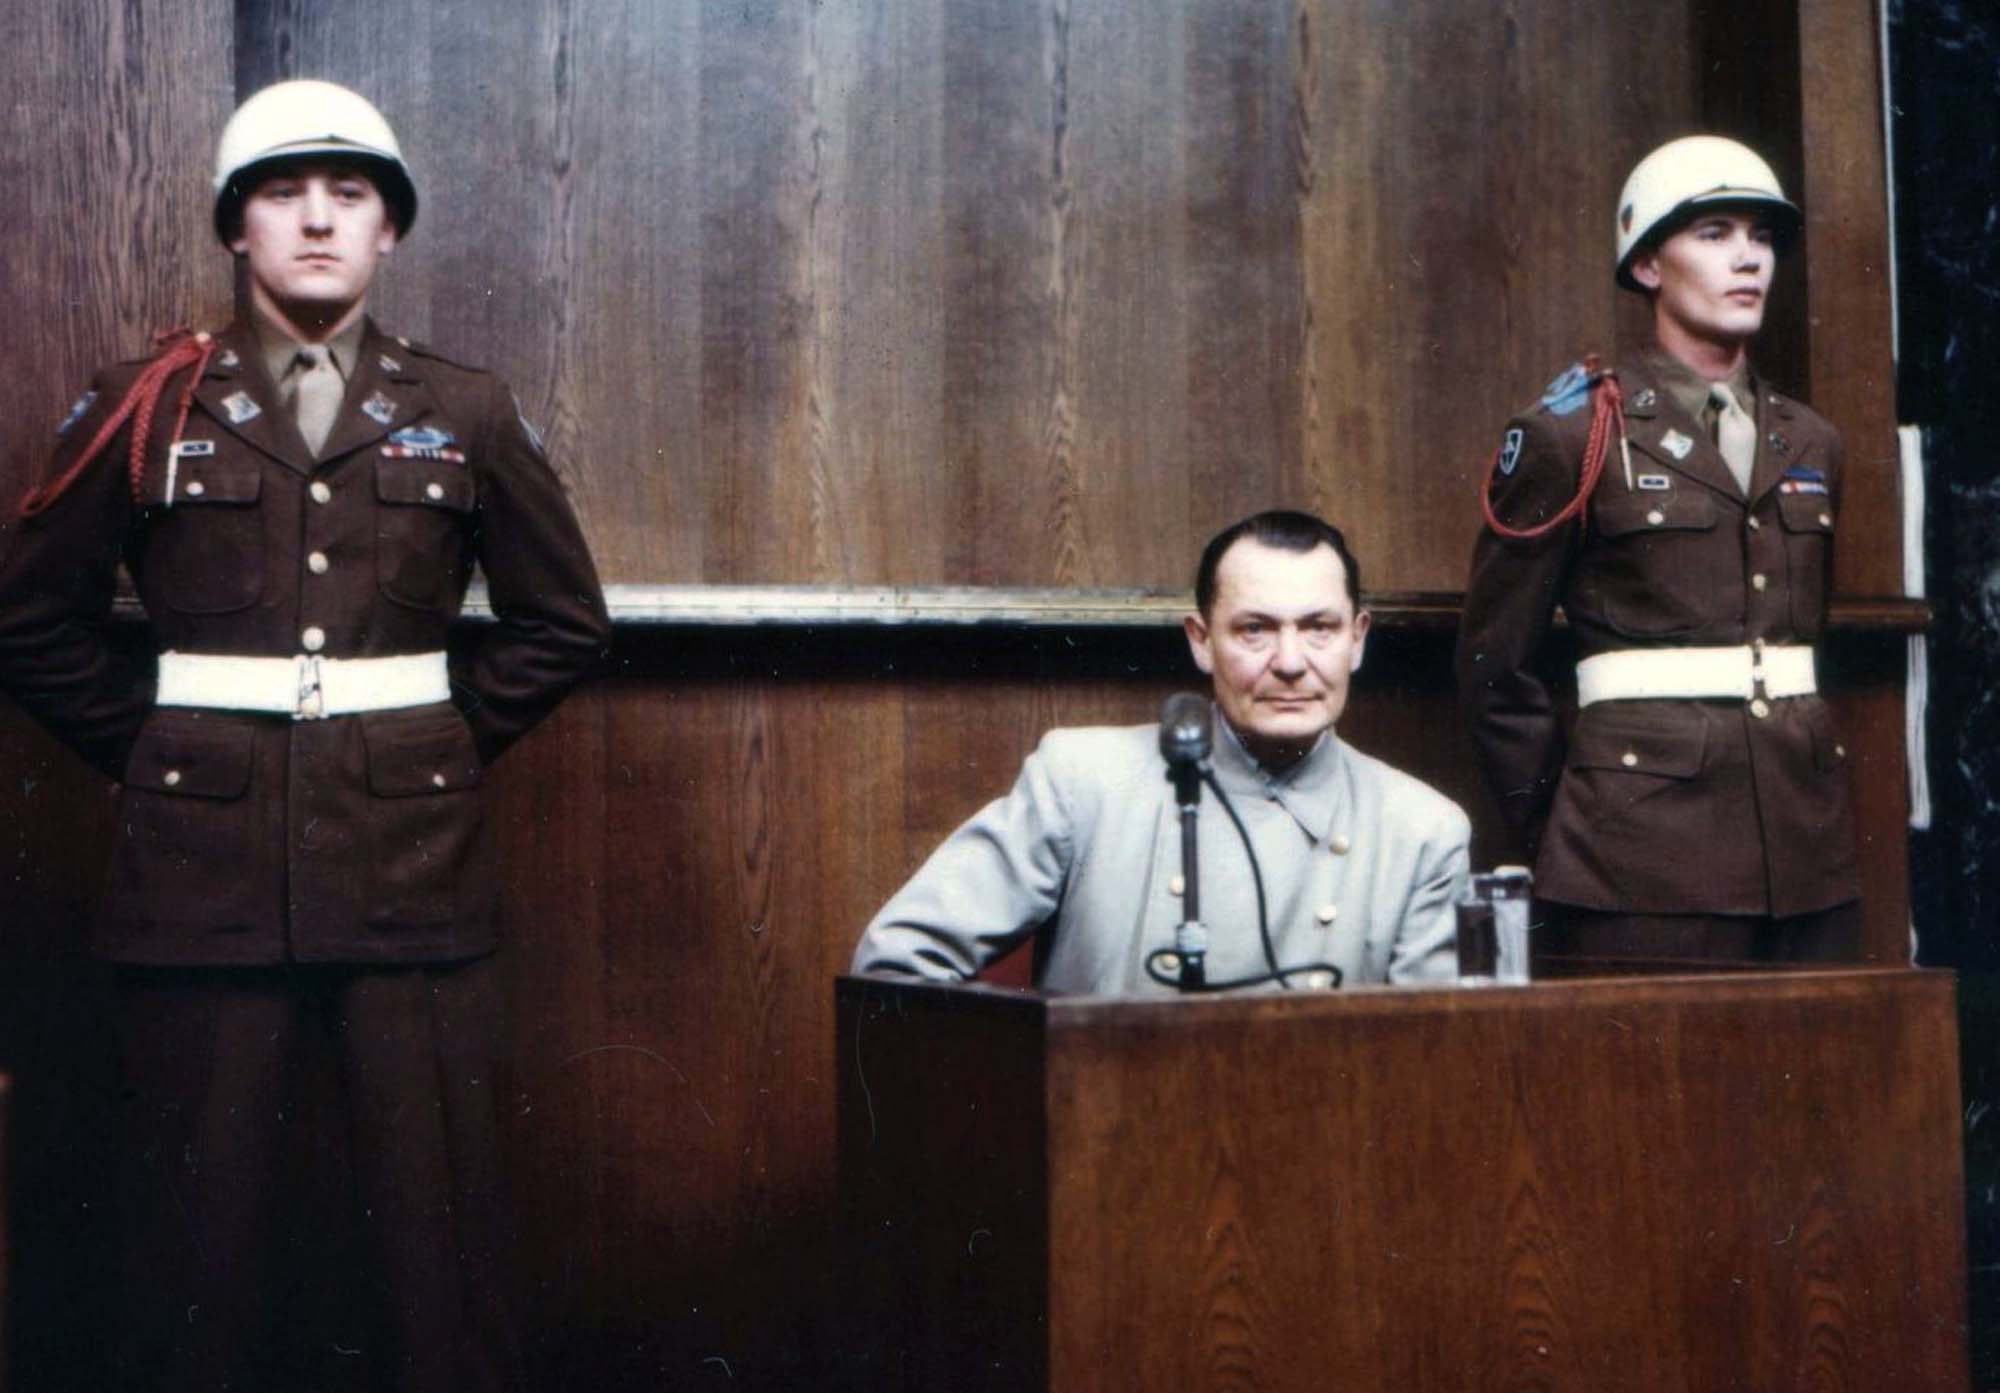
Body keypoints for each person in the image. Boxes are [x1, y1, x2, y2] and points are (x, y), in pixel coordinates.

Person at [0, 79, 611, 1391]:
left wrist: (430, 749)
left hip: (413, 877)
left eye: (351, 195)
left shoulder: (470, 410)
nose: (318, 221)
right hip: (200, 886)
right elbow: (28, 625)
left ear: (391, 229)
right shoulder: (146, 401)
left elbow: (566, 624)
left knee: (447, 1267)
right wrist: (166, 758)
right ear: (236, 228)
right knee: (185, 1265)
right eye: (283, 193)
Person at [1457, 135, 1861, 970]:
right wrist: (1572, 831)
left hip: (1806, 846)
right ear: (1647, 265)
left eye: (1761, 237)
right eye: (1713, 233)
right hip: (1635, 859)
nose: (1748, 258)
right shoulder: (1574, 431)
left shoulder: (1812, 439)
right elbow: (1496, 667)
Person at [852, 510, 1468, 993]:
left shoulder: (1419, 830)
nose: (1288, 661)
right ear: (1201, 642)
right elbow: (897, 962)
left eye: (1318, 628)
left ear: (1357, 641)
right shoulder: (1085, 782)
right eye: (1255, 629)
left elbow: (1429, 1054)